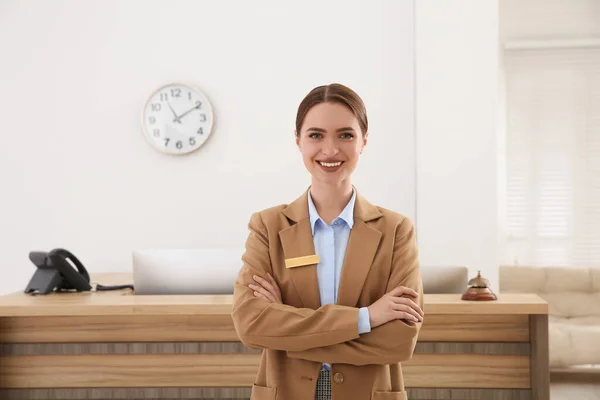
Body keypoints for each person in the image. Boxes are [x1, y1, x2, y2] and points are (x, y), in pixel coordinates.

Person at [232, 83, 424, 400]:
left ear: (364, 142)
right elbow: (251, 325)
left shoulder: (396, 230)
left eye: (346, 135)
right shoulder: (268, 227)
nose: (331, 149)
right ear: (298, 141)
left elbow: (399, 340)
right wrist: (368, 318)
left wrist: (288, 332)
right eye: (316, 135)